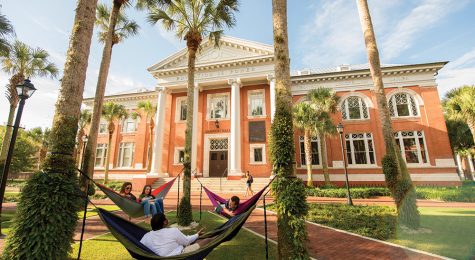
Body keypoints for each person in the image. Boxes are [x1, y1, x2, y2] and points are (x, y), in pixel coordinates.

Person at [140, 213, 214, 256]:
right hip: (179, 256)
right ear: (165, 222)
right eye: (166, 218)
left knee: (198, 240)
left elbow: (139, 247)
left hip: (161, 257)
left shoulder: (146, 236)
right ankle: (222, 236)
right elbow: (187, 241)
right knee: (207, 240)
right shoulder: (172, 231)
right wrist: (197, 234)